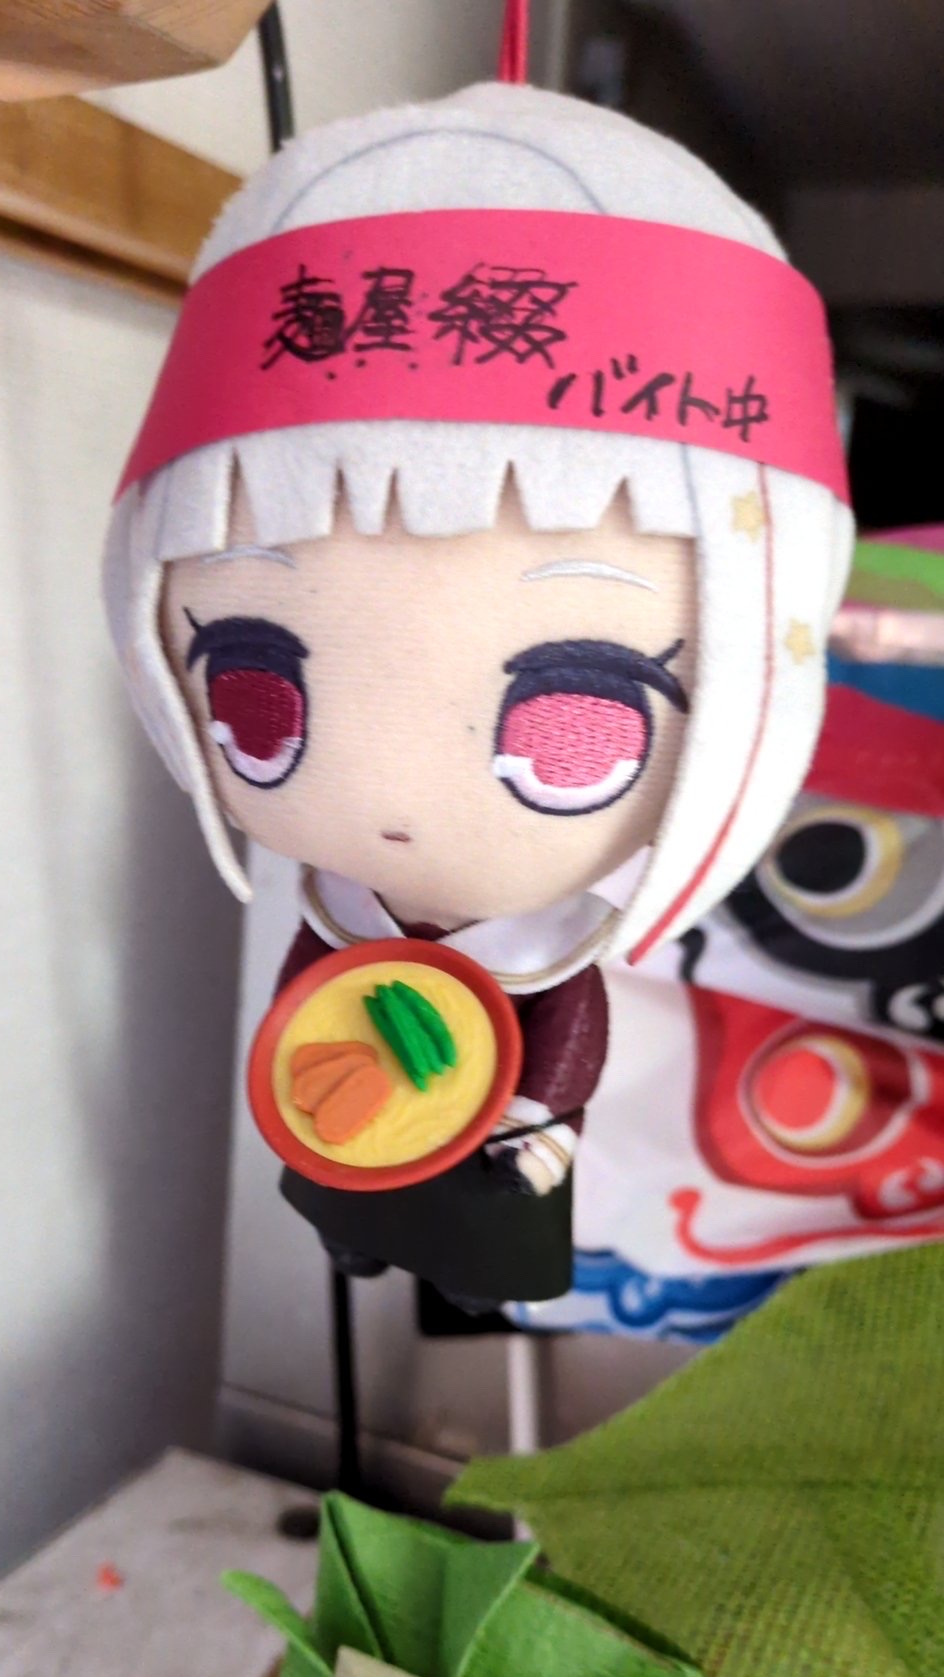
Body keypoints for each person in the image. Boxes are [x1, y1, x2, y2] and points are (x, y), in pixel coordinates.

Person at [104, 82, 852, 1302]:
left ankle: (469, 1264)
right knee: (345, 1191)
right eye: (255, 699)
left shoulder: (547, 943)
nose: (391, 794)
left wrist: (539, 1123)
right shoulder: (344, 901)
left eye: (576, 730)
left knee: (485, 1242)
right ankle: (353, 1229)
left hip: (496, 1136)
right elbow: (312, 986)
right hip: (350, 1104)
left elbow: (564, 1035)